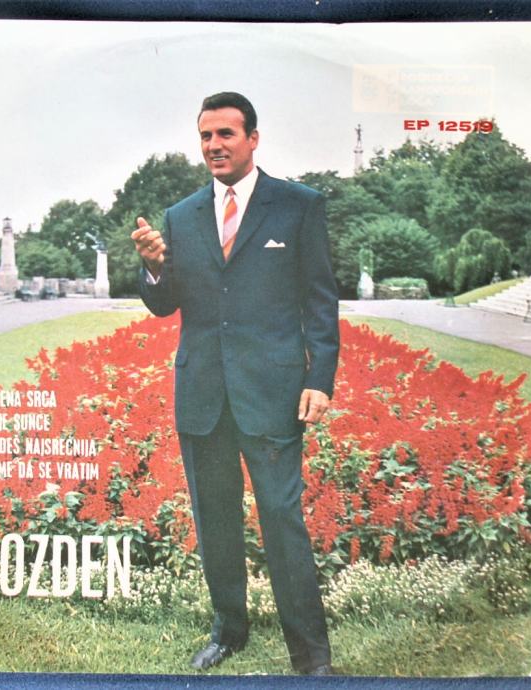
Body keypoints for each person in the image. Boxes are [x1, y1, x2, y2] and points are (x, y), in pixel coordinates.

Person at [131, 92, 339, 675]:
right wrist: (153, 266)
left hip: (273, 395)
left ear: (252, 139)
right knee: (215, 520)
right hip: (203, 394)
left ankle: (311, 657)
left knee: (282, 519)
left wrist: (320, 378)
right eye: (205, 136)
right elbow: (165, 304)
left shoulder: (298, 205)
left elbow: (320, 300)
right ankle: (229, 631)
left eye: (225, 134)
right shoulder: (181, 216)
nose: (214, 145)